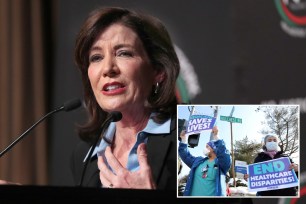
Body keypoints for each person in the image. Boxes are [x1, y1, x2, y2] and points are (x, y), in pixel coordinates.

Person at [70, 6, 179, 190]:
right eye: (96, 57)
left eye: (123, 53)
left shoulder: (202, 135)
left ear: (158, 71)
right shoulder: (84, 155)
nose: (107, 68)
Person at [178, 126, 231, 196]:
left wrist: (216, 136)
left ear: (214, 148)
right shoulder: (198, 161)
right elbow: (185, 155)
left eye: (207, 146)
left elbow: (224, 155)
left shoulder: (221, 165)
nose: (205, 148)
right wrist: (183, 139)